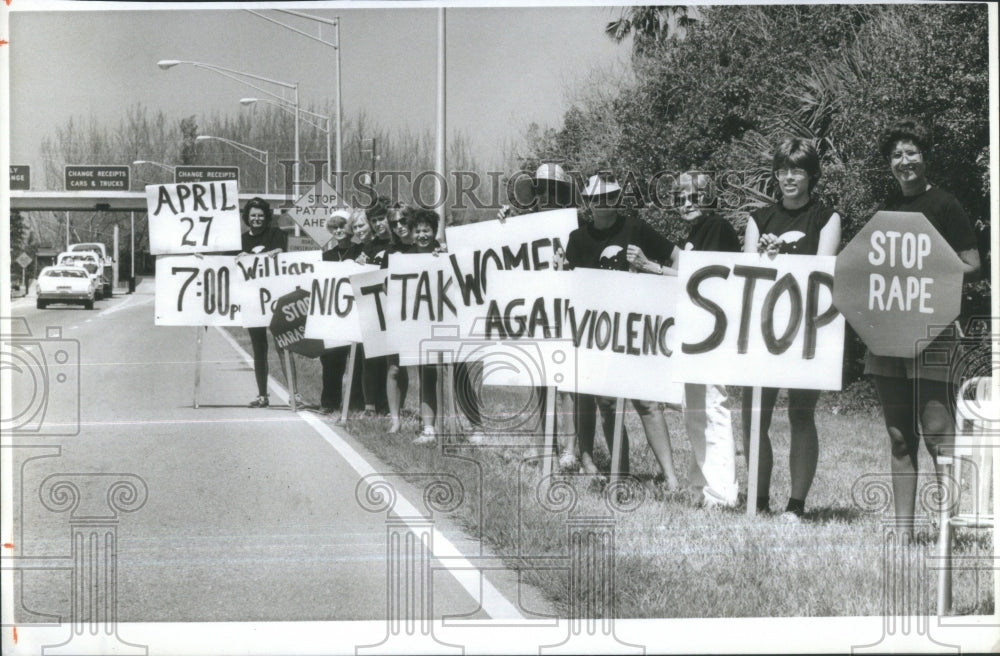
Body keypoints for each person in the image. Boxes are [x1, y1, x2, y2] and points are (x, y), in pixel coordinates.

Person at [866, 118, 980, 529]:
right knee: (899, 437)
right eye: (896, 155)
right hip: (888, 335)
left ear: (925, 157)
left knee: (936, 434)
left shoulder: (945, 204)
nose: (903, 161)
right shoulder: (886, 209)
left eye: (911, 152)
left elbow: (973, 263)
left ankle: (947, 529)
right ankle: (903, 534)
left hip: (934, 333)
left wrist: (929, 264)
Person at [741, 137, 841, 520]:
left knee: (801, 414)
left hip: (806, 332)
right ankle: (759, 500)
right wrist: (766, 256)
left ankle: (796, 505)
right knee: (755, 417)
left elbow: (822, 269)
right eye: (782, 170)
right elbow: (747, 276)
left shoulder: (826, 217)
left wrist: (783, 255)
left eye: (796, 169)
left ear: (811, 175)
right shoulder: (758, 219)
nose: (788, 177)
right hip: (762, 329)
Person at [564, 173, 681, 487]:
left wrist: (648, 266)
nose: (603, 204)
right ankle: (621, 475)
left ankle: (671, 479)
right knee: (608, 403)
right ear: (587, 202)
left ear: (618, 199)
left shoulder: (636, 228)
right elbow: (570, 286)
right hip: (596, 335)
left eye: (610, 197)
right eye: (596, 198)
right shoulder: (577, 239)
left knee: (647, 403)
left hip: (637, 331)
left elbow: (681, 261)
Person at [498, 163, 595, 471]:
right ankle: (545, 443)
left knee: (568, 382)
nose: (548, 196)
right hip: (536, 311)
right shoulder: (522, 223)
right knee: (541, 380)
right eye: (542, 189)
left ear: (565, 193)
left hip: (570, 309)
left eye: (556, 190)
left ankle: (570, 448)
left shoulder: (579, 225)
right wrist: (503, 225)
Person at [673, 171, 741, 508]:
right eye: (680, 198)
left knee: (712, 405)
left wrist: (653, 269)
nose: (686, 203)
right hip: (695, 331)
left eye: (693, 197)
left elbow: (703, 279)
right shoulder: (695, 233)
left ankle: (723, 493)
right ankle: (702, 485)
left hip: (714, 331)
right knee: (693, 407)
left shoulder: (716, 228)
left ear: (709, 198)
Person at [238, 197, 290, 409]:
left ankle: (294, 393)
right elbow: (223, 264)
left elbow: (282, 252)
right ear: (247, 218)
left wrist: (275, 252)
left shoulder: (276, 235)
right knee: (259, 348)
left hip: (276, 299)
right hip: (252, 302)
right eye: (253, 216)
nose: (257, 219)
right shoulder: (240, 241)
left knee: (283, 345)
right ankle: (262, 395)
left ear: (266, 217)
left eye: (260, 215)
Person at [318, 210, 363, 415]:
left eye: (342, 226)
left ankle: (354, 403)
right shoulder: (325, 256)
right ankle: (329, 402)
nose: (338, 230)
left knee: (357, 360)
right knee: (330, 360)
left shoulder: (361, 252)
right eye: (334, 227)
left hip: (357, 314)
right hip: (333, 316)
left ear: (350, 227)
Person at [382, 202, 413, 433]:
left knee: (426, 370)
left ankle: (431, 425)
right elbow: (382, 284)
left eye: (403, 221)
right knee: (394, 368)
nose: (400, 226)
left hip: (423, 316)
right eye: (394, 223)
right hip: (397, 315)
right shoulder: (390, 253)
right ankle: (395, 419)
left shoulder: (426, 246)